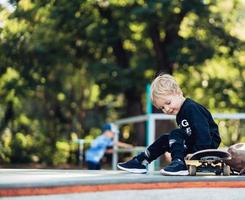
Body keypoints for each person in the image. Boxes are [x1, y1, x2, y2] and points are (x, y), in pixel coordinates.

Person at [117, 74, 221, 175]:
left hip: (206, 144)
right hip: (194, 143)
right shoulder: (180, 113)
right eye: (162, 108)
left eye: (168, 103)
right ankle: (140, 161)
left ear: (178, 93)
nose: (166, 109)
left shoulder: (191, 108)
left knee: (176, 133)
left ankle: (179, 163)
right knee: (165, 139)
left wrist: (198, 152)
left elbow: (202, 131)